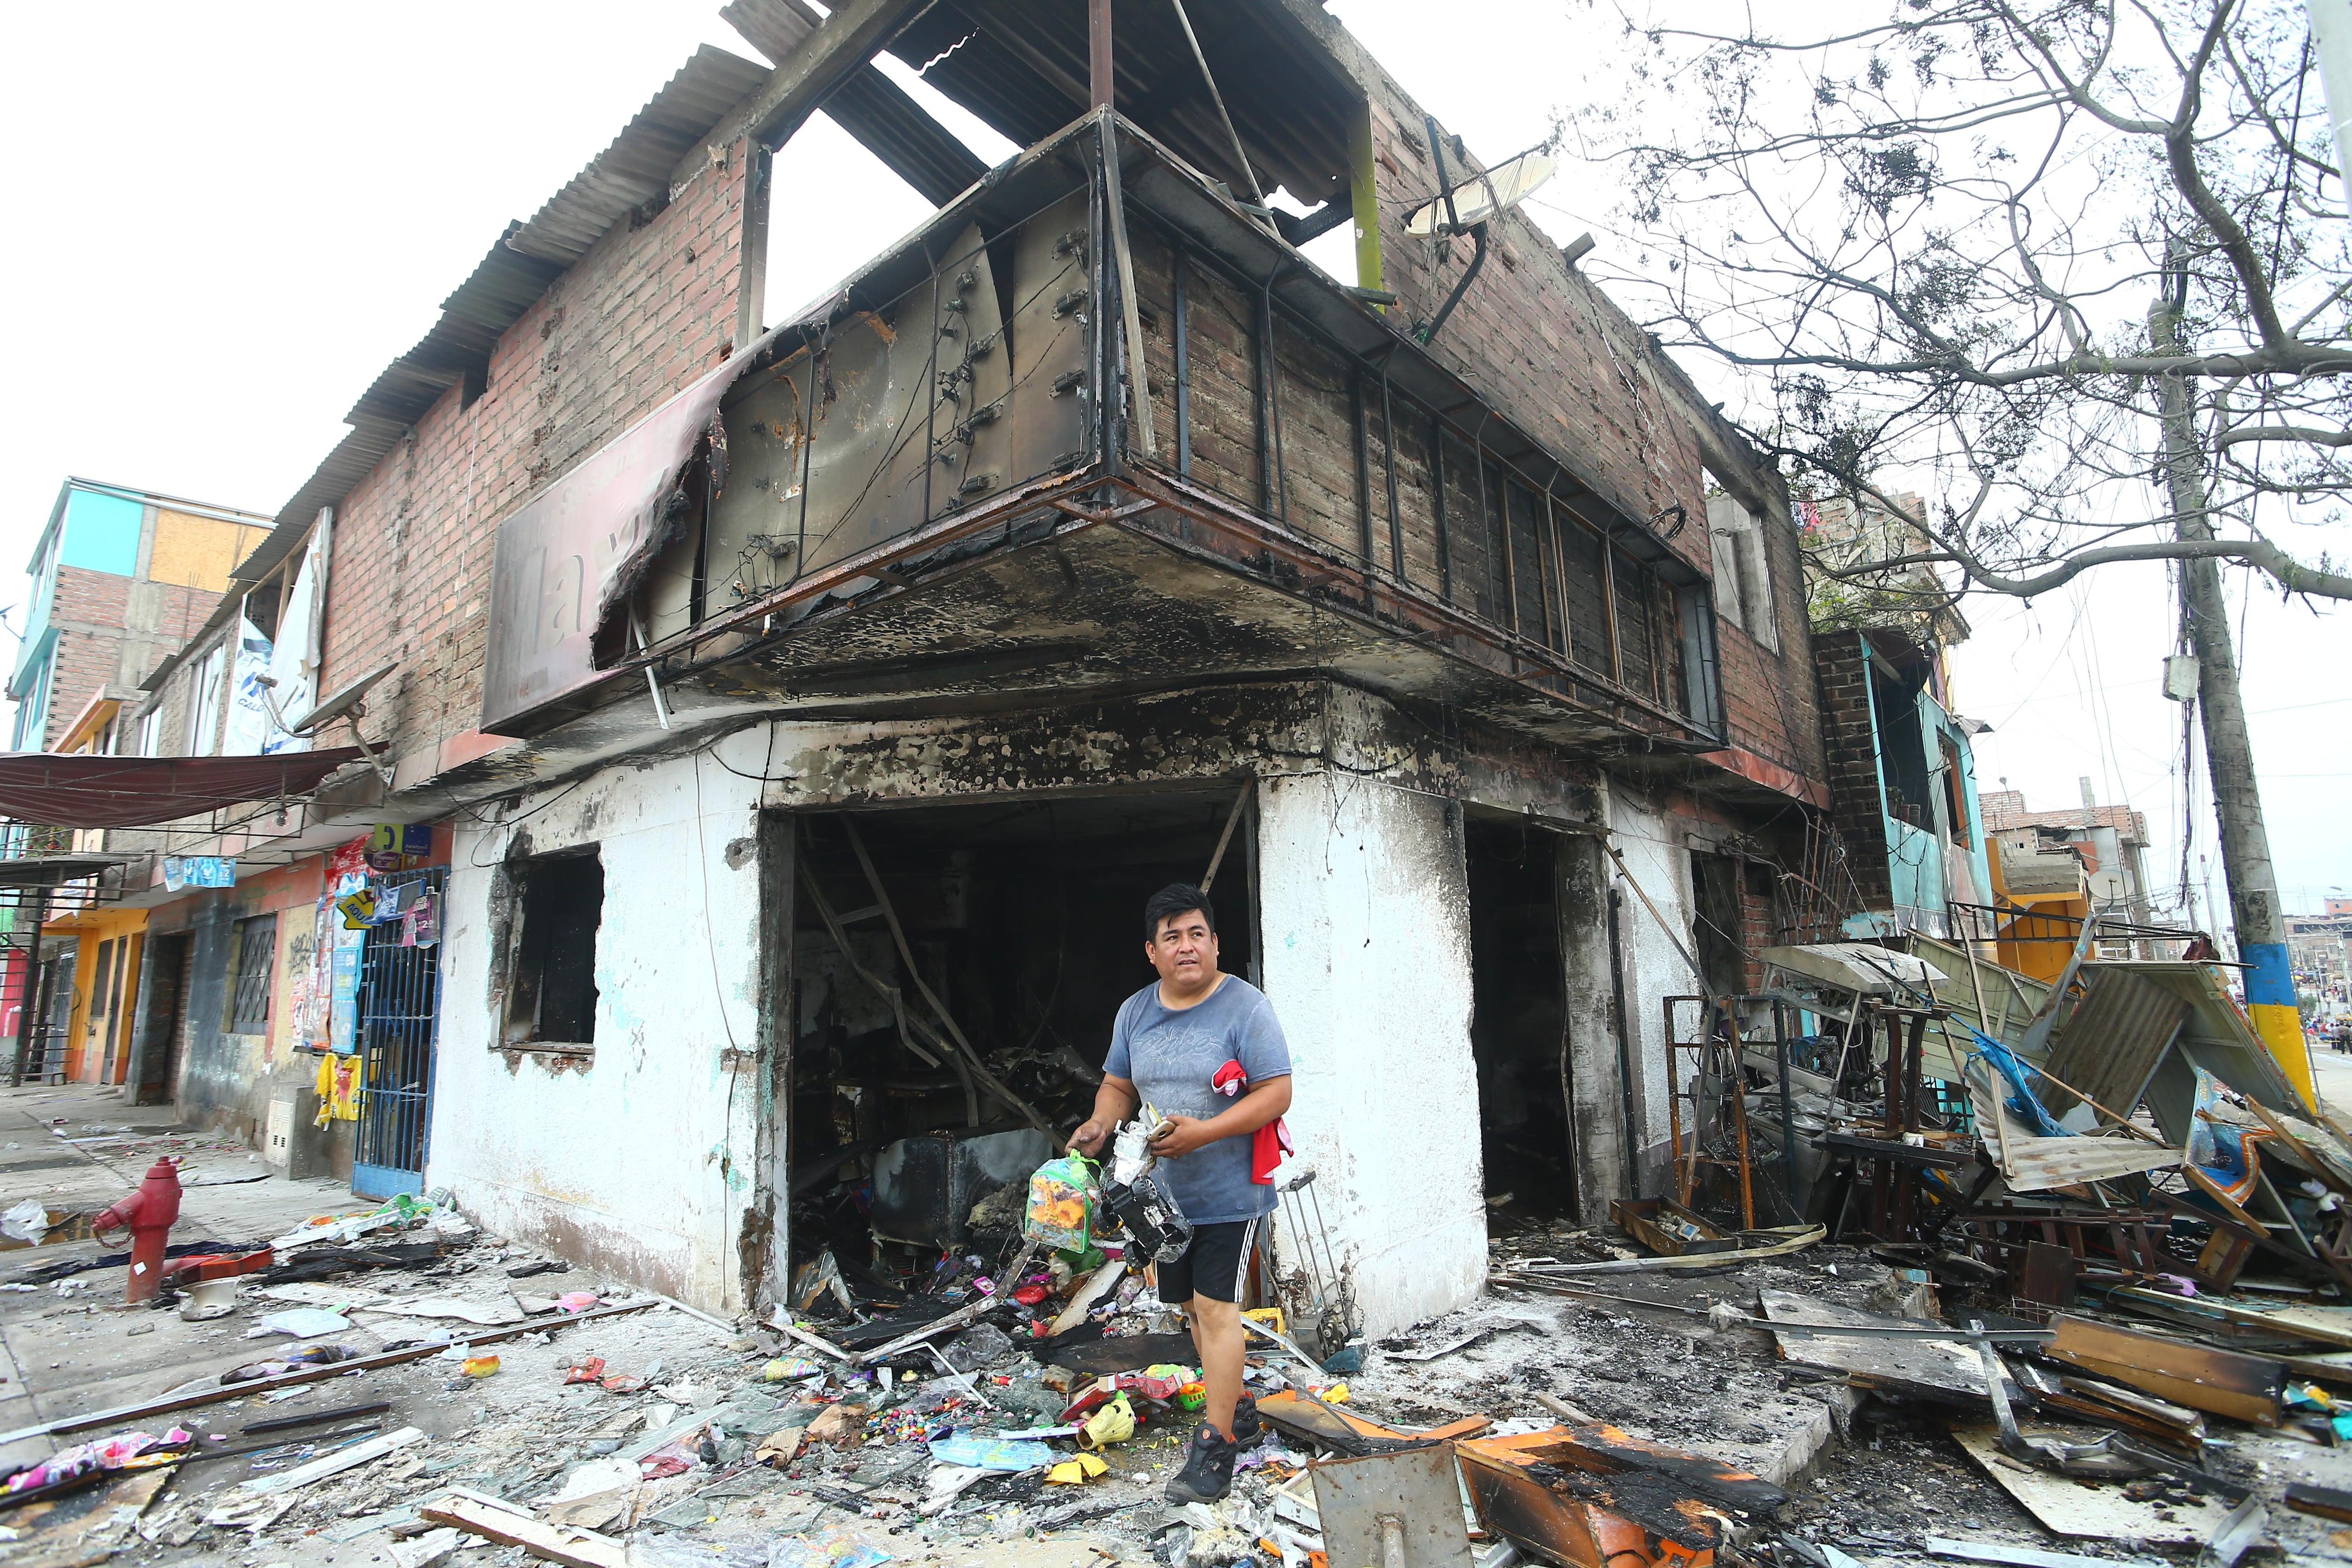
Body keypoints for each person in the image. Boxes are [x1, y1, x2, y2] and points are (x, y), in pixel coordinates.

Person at [1070, 883, 1293, 1505]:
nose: (1187, 946)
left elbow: (1276, 1092)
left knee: (1216, 1308)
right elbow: (1118, 1085)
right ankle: (1239, 1407)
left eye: (1198, 934)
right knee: (1192, 1311)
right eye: (1173, 937)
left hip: (1230, 1188)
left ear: (1216, 942)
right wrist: (1099, 1122)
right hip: (1161, 1197)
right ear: (1152, 950)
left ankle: (1216, 1447)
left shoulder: (1245, 1008)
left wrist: (1206, 1133)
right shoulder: (1135, 1012)